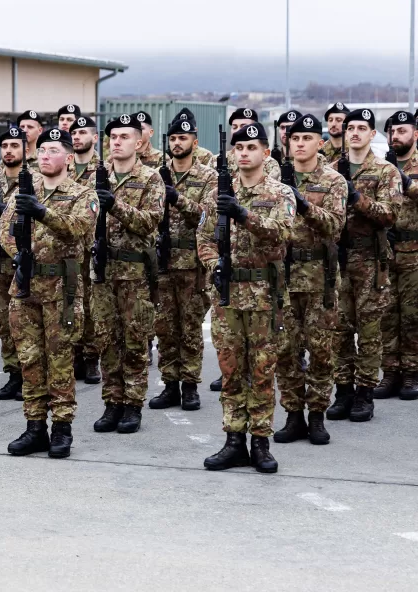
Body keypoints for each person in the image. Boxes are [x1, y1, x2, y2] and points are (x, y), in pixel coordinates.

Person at [197, 121, 295, 473]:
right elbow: (204, 239)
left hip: (265, 296)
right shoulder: (218, 193)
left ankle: (261, 442)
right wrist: (214, 265)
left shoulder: (280, 193)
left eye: (251, 148)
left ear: (265, 153)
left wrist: (243, 214)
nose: (244, 153)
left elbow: (283, 233)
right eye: (238, 148)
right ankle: (234, 439)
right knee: (231, 369)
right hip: (227, 296)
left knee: (262, 370)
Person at [1, 127, 96, 458]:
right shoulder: (23, 192)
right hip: (25, 285)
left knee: (60, 360)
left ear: (69, 158)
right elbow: (5, 230)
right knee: (29, 359)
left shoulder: (84, 194)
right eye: (41, 150)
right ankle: (35, 426)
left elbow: (78, 230)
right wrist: (18, 253)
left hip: (61, 289)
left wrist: (42, 213)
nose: (45, 155)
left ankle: (62, 428)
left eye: (53, 150)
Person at [273, 115, 346, 446]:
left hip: (319, 278)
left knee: (321, 351)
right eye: (295, 138)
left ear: (320, 142)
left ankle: (316, 415)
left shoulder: (333, 181)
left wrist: (303, 204)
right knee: (286, 351)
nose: (300, 143)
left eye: (307, 138)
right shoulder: (274, 180)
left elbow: (335, 226)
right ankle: (293, 415)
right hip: (284, 279)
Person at [327, 109, 401, 422]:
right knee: (339, 329)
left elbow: (390, 214)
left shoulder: (385, 171)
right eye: (351, 128)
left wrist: (356, 197)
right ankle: (343, 390)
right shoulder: (330, 171)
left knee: (369, 331)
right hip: (338, 261)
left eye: (362, 128)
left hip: (370, 260)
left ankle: (364, 394)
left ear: (372, 134)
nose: (355, 133)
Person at [92, 114, 164, 434]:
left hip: (135, 273)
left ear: (139, 142)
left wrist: (115, 205)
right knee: (106, 340)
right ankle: (112, 402)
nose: (117, 142)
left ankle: (133, 404)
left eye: (124, 137)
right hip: (103, 271)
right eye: (113, 137)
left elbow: (150, 222)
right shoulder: (97, 177)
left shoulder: (150, 178)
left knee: (135, 340)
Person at [149, 117, 215, 412]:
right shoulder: (156, 175)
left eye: (183, 138)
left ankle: (190, 386)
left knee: (190, 328)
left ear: (194, 142)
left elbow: (207, 217)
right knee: (164, 328)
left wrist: (177, 198)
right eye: (173, 138)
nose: (177, 143)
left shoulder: (208, 177)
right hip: (162, 263)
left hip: (192, 265)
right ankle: (170, 384)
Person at [0, 127, 42, 401]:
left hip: (22, 261)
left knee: (26, 322)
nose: (9, 150)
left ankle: (31, 375)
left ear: (26, 149)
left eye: (14, 145)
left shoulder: (35, 180)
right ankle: (13, 373)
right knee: (2, 321)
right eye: (5, 146)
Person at [376, 110, 418, 400]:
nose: (396, 136)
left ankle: (412, 372)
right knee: (387, 314)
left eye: (402, 131)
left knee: (412, 315)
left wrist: (404, 180)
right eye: (392, 131)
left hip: (414, 251)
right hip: (386, 251)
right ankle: (390, 372)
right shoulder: (381, 165)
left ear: (415, 134)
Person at [67, 116, 102, 384]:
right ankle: (73, 354)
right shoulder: (63, 168)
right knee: (69, 302)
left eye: (82, 132)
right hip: (68, 248)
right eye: (74, 133)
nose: (77, 137)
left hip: (92, 247)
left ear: (95, 137)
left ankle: (91, 358)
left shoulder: (104, 170)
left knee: (91, 305)